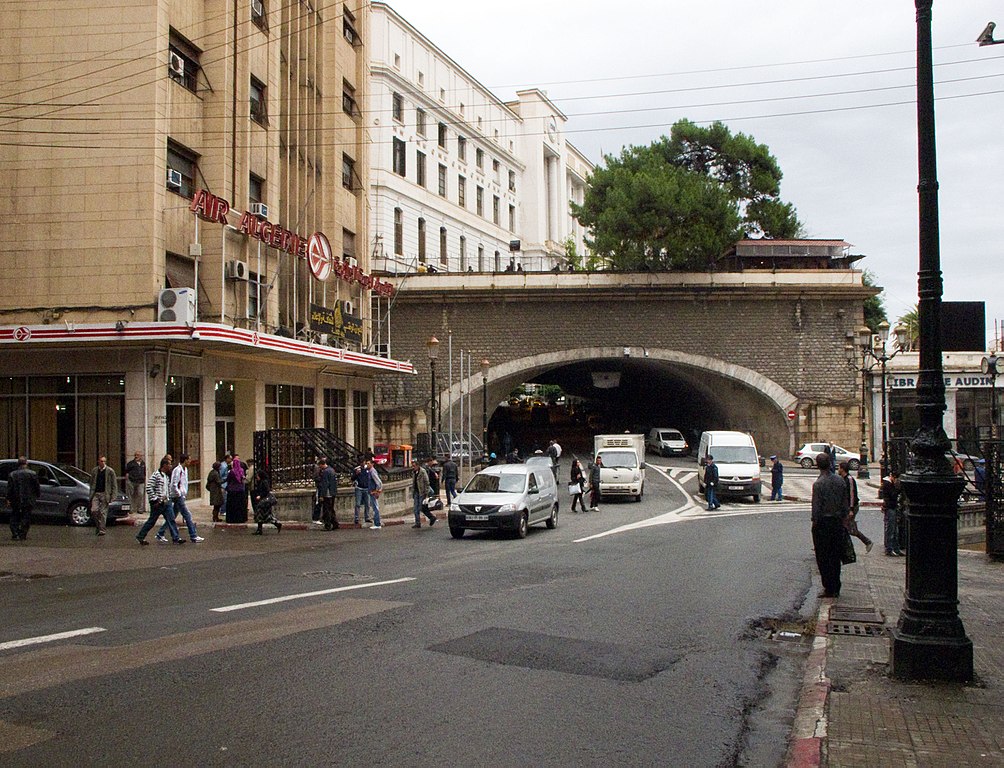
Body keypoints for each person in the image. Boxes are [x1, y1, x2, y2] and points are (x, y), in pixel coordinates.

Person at [811, 452, 849, 598]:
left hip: (823, 523)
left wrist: (814, 524)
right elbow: (845, 503)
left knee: (823, 556)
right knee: (835, 555)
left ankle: (828, 587)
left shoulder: (819, 484)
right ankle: (836, 586)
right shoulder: (840, 481)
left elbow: (816, 508)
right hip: (838, 522)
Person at [159, 453, 203, 542]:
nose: (190, 461)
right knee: (187, 515)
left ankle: (161, 532)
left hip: (180, 495)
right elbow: (174, 484)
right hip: (176, 495)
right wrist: (179, 494)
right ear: (185, 460)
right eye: (189, 459)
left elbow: (184, 483)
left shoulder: (185, 469)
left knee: (173, 515)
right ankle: (193, 535)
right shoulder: (177, 470)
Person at [136, 457, 182, 544]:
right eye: (169, 464)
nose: (170, 466)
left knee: (171, 519)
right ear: (164, 465)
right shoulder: (156, 475)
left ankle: (176, 538)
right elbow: (149, 487)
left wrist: (168, 498)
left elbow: (167, 489)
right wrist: (155, 499)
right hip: (158, 503)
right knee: (152, 521)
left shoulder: (166, 476)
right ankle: (140, 536)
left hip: (166, 502)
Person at [838, 461, 872, 553]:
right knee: (847, 527)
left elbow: (852, 494)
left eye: (839, 468)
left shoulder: (849, 479)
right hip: (847, 507)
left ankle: (867, 542)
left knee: (848, 528)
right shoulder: (843, 479)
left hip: (851, 507)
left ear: (842, 469)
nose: (838, 469)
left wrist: (851, 509)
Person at [6, 456, 40, 541]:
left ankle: (15, 533)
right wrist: (36, 495)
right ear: (26, 463)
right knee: (26, 516)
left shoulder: (12, 474)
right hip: (28, 499)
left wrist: (8, 498)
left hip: (15, 499)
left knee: (15, 516)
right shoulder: (33, 474)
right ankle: (23, 534)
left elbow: (9, 488)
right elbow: (37, 487)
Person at [88, 455, 118, 536]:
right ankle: (98, 526)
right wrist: (91, 493)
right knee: (94, 510)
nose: (103, 463)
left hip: (105, 494)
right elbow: (91, 482)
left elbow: (114, 484)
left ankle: (102, 529)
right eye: (101, 461)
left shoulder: (110, 471)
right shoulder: (95, 470)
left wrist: (113, 496)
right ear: (98, 461)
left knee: (103, 512)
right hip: (96, 493)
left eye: (104, 461)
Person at [880, 470, 904, 557]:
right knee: (890, 529)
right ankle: (889, 549)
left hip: (892, 507)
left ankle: (895, 548)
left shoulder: (889, 484)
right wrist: (897, 489)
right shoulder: (888, 484)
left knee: (894, 530)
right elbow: (892, 495)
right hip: (890, 508)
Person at [251, 470, 282, 535]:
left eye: (257, 475)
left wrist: (260, 496)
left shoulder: (264, 482)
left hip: (264, 502)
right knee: (264, 516)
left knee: (263, 515)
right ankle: (261, 529)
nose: (257, 477)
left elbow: (266, 491)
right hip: (263, 501)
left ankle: (261, 529)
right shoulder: (260, 482)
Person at [411, 458, 436, 528]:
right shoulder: (414, 472)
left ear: (417, 466)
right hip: (416, 492)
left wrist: (426, 493)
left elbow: (427, 482)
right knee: (415, 508)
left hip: (422, 492)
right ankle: (417, 523)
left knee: (421, 507)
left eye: (414, 466)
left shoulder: (422, 472)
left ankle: (432, 517)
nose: (413, 467)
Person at [316, 457, 339, 530]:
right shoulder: (332, 470)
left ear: (322, 464)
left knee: (326, 510)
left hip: (327, 493)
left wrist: (322, 495)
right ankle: (335, 524)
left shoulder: (325, 472)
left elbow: (325, 484)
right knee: (331, 509)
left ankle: (327, 525)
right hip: (332, 492)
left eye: (319, 466)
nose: (319, 467)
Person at [225, 453, 248, 524]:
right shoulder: (241, 471)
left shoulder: (232, 472)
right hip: (241, 490)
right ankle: (241, 518)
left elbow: (228, 480)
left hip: (232, 491)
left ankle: (232, 519)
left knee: (233, 506)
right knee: (240, 506)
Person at [124, 451, 146, 516]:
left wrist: (144, 478)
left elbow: (144, 472)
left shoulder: (143, 463)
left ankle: (140, 509)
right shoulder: (131, 463)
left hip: (140, 482)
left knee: (141, 494)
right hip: (132, 481)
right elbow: (127, 472)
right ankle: (130, 509)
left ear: (141, 456)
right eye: (135, 455)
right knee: (130, 495)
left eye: (138, 455)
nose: (136, 456)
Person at [351, 462, 372, 526]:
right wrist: (357, 474)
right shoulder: (357, 469)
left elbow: (370, 478)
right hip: (359, 488)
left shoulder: (367, 470)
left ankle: (367, 517)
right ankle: (356, 518)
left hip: (366, 488)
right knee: (358, 504)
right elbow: (352, 478)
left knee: (367, 504)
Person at [365, 460, 383, 529]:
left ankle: (377, 524)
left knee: (375, 508)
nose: (367, 465)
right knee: (374, 507)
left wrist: (377, 491)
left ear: (372, 464)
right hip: (372, 491)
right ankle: (376, 523)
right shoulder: (370, 471)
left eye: (368, 463)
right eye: (367, 463)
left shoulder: (372, 472)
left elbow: (378, 482)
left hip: (373, 492)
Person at [219, 452, 231, 521]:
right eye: (230, 458)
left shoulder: (226, 465)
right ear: (227, 459)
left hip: (225, 484)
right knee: (224, 498)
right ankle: (223, 511)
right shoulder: (224, 466)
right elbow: (221, 475)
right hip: (223, 484)